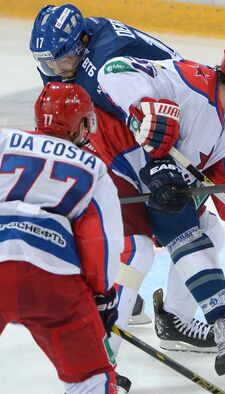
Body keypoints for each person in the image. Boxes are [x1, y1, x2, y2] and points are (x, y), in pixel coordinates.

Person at [29, 3, 216, 371]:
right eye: (48, 63)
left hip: (168, 139)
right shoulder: (78, 58)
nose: (54, 71)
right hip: (133, 141)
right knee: (133, 241)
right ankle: (113, 307)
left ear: (81, 43)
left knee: (198, 232)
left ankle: (166, 317)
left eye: (61, 62)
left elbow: (153, 123)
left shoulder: (102, 62)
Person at [96, 34, 225, 384]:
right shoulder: (187, 81)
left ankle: (175, 321)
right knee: (136, 253)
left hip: (160, 184)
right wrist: (143, 109)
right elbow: (113, 69)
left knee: (210, 230)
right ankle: (97, 367)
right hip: (116, 167)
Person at [0, 82, 124, 393]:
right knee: (92, 376)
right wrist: (101, 296)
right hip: (52, 280)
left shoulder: (4, 141)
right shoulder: (93, 168)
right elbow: (101, 244)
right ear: (82, 124)